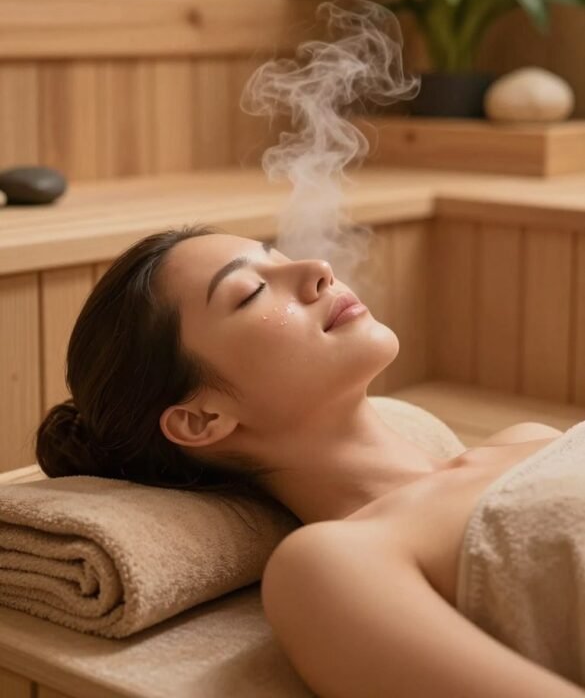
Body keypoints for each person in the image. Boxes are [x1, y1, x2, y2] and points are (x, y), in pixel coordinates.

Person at [35, 224, 580, 698]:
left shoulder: (526, 439)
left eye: (279, 256)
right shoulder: (331, 566)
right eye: (250, 292)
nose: (319, 269)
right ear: (201, 420)